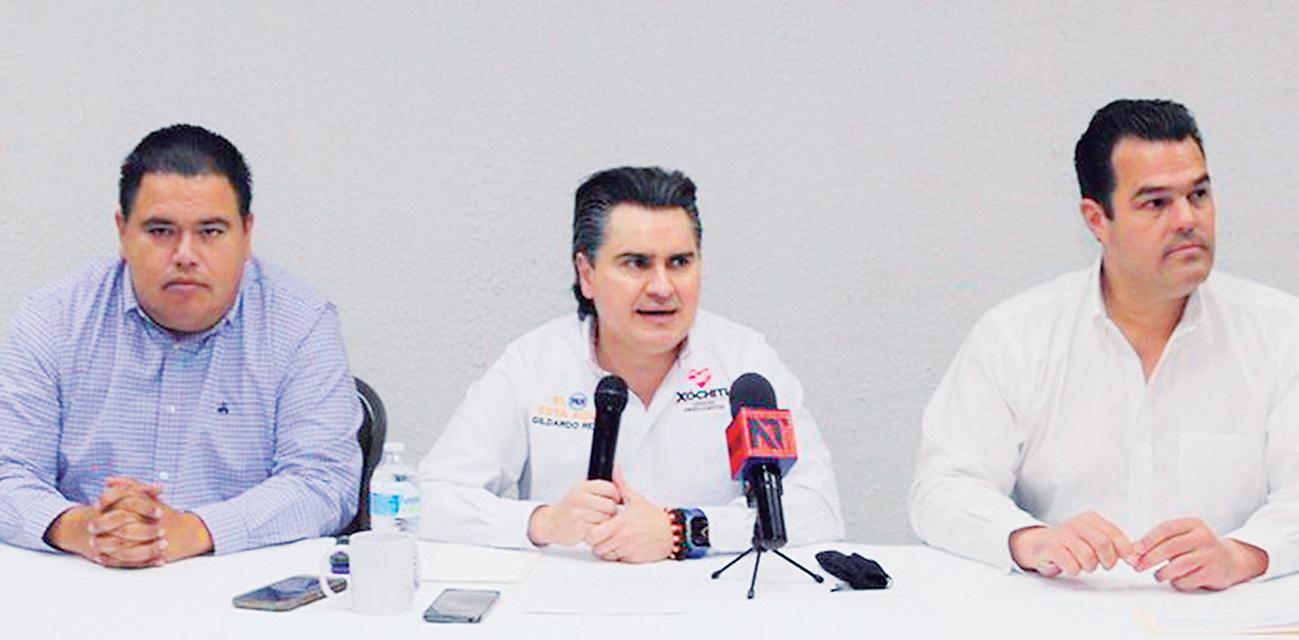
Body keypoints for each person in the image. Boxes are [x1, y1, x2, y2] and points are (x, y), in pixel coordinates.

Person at [909, 99, 1299, 591]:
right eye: (1156, 203)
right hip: (1066, 611)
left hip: (1227, 615)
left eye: (1198, 194)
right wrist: (1031, 540)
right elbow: (943, 488)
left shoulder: (1281, 332)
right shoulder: (1018, 336)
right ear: (1097, 220)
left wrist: (1242, 554)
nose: (1187, 219)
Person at [418, 166, 843, 562]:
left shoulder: (743, 361)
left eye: (680, 262)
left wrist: (684, 530)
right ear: (586, 273)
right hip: (569, 601)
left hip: (712, 601)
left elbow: (816, 507)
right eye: (637, 263)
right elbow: (431, 501)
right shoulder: (535, 364)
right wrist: (543, 521)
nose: (662, 287)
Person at [0, 124, 362, 568]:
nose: (185, 254)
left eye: (210, 231)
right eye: (160, 230)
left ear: (247, 234)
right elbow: (8, 471)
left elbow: (325, 482)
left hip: (238, 585)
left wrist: (193, 531)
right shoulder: (54, 317)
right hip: (84, 580)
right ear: (123, 231)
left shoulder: (300, 324)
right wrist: (83, 528)